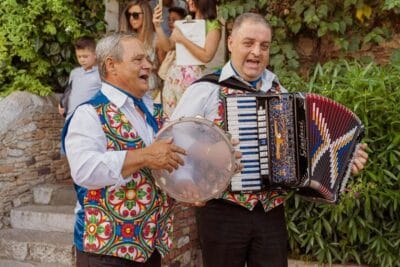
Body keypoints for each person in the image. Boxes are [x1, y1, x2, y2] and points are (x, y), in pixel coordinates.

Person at [171, 13, 369, 267]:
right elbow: (173, 140)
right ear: (230, 42)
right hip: (221, 212)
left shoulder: (281, 94)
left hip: (270, 214)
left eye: (264, 46)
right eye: (248, 43)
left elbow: (301, 158)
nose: (256, 52)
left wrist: (343, 160)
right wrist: (200, 169)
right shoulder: (206, 89)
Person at [62, 32, 186, 267]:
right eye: (138, 60)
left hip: (151, 247)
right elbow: (84, 170)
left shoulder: (153, 110)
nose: (148, 65)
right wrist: (144, 156)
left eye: (147, 59)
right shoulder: (88, 113)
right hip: (106, 251)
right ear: (111, 65)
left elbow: (167, 162)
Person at [153, 0, 222, 117]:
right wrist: (157, 26)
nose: (188, 1)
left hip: (192, 79)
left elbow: (207, 56)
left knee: (188, 120)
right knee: (170, 120)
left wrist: (182, 39)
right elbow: (168, 46)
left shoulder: (212, 24)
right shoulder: (186, 21)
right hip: (173, 77)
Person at [119, 0, 162, 100]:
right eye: (128, 15)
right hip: (128, 89)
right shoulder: (126, 39)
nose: (131, 19)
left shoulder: (155, 39)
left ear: (146, 15)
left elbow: (162, 68)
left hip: (150, 89)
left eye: (135, 15)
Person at [58, 36, 101, 119]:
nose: (82, 60)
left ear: (95, 55)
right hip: (71, 117)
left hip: (90, 118)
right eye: (79, 56)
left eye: (85, 56)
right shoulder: (74, 73)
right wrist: (62, 103)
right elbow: (69, 92)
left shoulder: (100, 74)